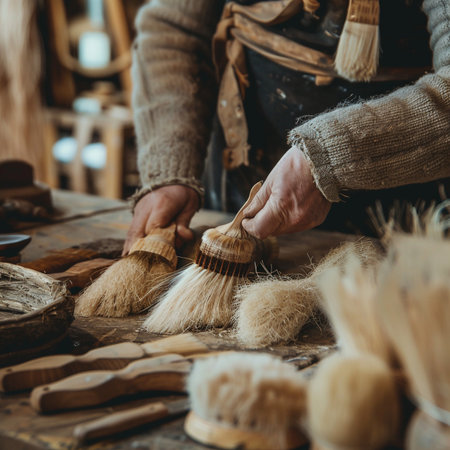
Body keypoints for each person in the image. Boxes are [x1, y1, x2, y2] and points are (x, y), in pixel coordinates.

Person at [123, 0, 449, 254]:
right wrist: (169, 172)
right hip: (246, 170)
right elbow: (174, 31)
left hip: (408, 207)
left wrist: (329, 157)